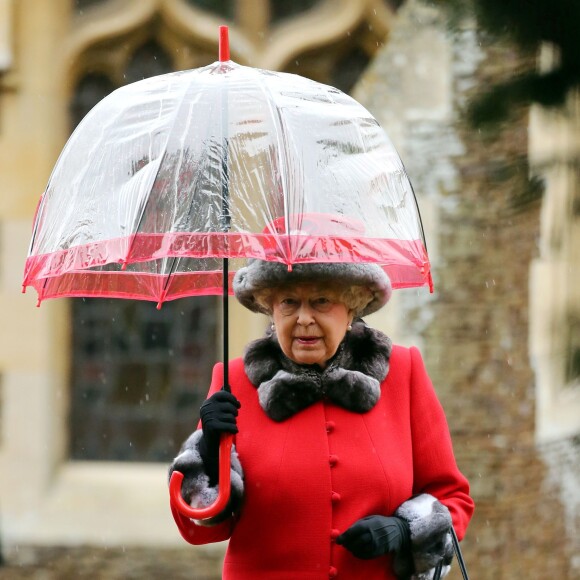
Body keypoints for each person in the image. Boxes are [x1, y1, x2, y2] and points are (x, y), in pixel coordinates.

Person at [168, 258, 474, 580]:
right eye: (289, 302)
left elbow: (452, 498)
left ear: (352, 305)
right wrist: (208, 451)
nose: (303, 318)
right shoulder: (233, 381)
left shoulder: (403, 372)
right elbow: (200, 525)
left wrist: (405, 529)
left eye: (321, 301)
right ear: (270, 308)